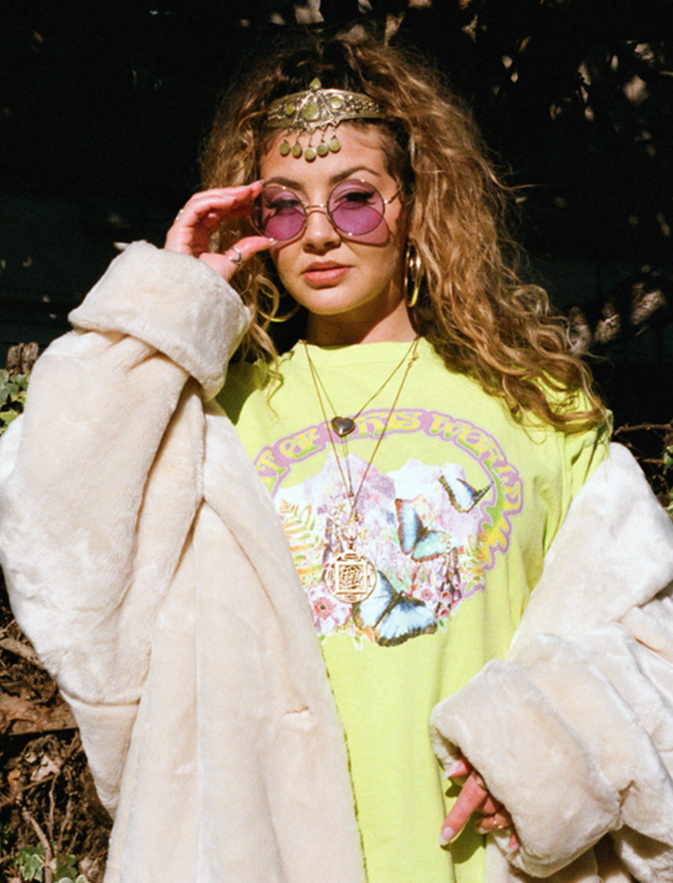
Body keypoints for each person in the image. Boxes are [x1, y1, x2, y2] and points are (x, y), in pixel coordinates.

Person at [1, 25, 673, 883]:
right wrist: (169, 300)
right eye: (283, 206)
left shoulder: (534, 406)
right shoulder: (211, 413)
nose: (318, 233)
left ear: (414, 206)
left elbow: (644, 634)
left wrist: (551, 753)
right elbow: (57, 527)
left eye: (355, 199)